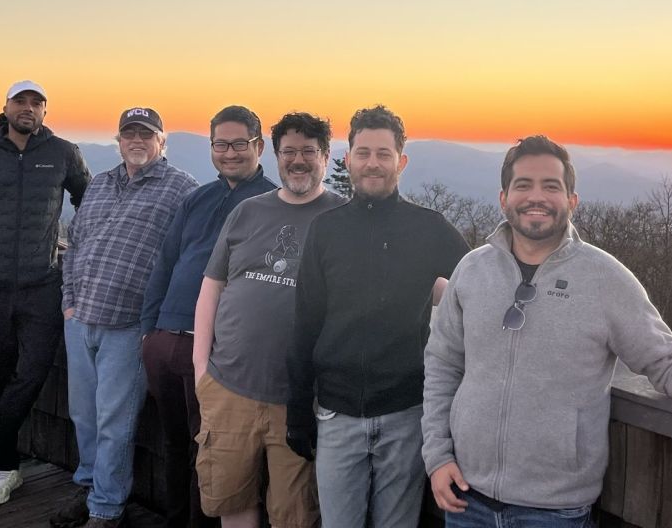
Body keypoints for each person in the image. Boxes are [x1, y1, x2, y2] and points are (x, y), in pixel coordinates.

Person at [422, 136, 672, 526]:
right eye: (523, 185)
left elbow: (665, 359)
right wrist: (438, 457)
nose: (536, 196)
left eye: (551, 186)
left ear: (572, 201)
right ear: (503, 198)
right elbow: (442, 365)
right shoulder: (471, 271)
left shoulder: (606, 279)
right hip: (466, 499)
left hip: (556, 511)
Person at [286, 105, 470, 528]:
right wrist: (297, 412)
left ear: (400, 162)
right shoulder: (325, 230)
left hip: (406, 414)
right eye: (363, 153)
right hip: (335, 414)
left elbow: (478, 285)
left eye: (384, 154)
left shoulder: (428, 228)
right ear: (347, 158)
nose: (373, 163)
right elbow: (305, 325)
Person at [193, 112, 345, 528]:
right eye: (289, 152)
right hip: (228, 387)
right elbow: (212, 287)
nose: (298, 161)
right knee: (232, 500)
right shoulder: (247, 212)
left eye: (308, 152)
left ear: (326, 156)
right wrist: (200, 368)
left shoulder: (343, 219)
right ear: (275, 156)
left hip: (299, 399)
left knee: (294, 513)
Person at [52, 107, 199, 528]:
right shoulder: (100, 184)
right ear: (118, 140)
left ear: (162, 142)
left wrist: (155, 320)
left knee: (115, 422)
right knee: (85, 415)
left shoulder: (181, 189)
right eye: (129, 133)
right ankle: (89, 488)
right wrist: (68, 302)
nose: (138, 141)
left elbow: (187, 259)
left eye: (147, 135)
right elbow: (74, 244)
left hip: (130, 325)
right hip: (79, 320)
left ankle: (106, 509)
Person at [0, 79, 91, 507]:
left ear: (45, 112)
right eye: (20, 101)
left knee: (32, 371)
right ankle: (6, 470)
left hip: (42, 283)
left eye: (37, 103)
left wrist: (85, 250)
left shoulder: (63, 153)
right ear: (5, 107)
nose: (28, 108)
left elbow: (91, 202)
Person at [140, 105, 276, 528]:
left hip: (217, 350)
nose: (230, 152)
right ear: (211, 146)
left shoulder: (272, 203)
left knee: (211, 454)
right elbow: (165, 263)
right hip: (165, 342)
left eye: (240, 143)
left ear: (259, 146)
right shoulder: (197, 198)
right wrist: (149, 333)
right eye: (221, 144)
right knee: (175, 447)